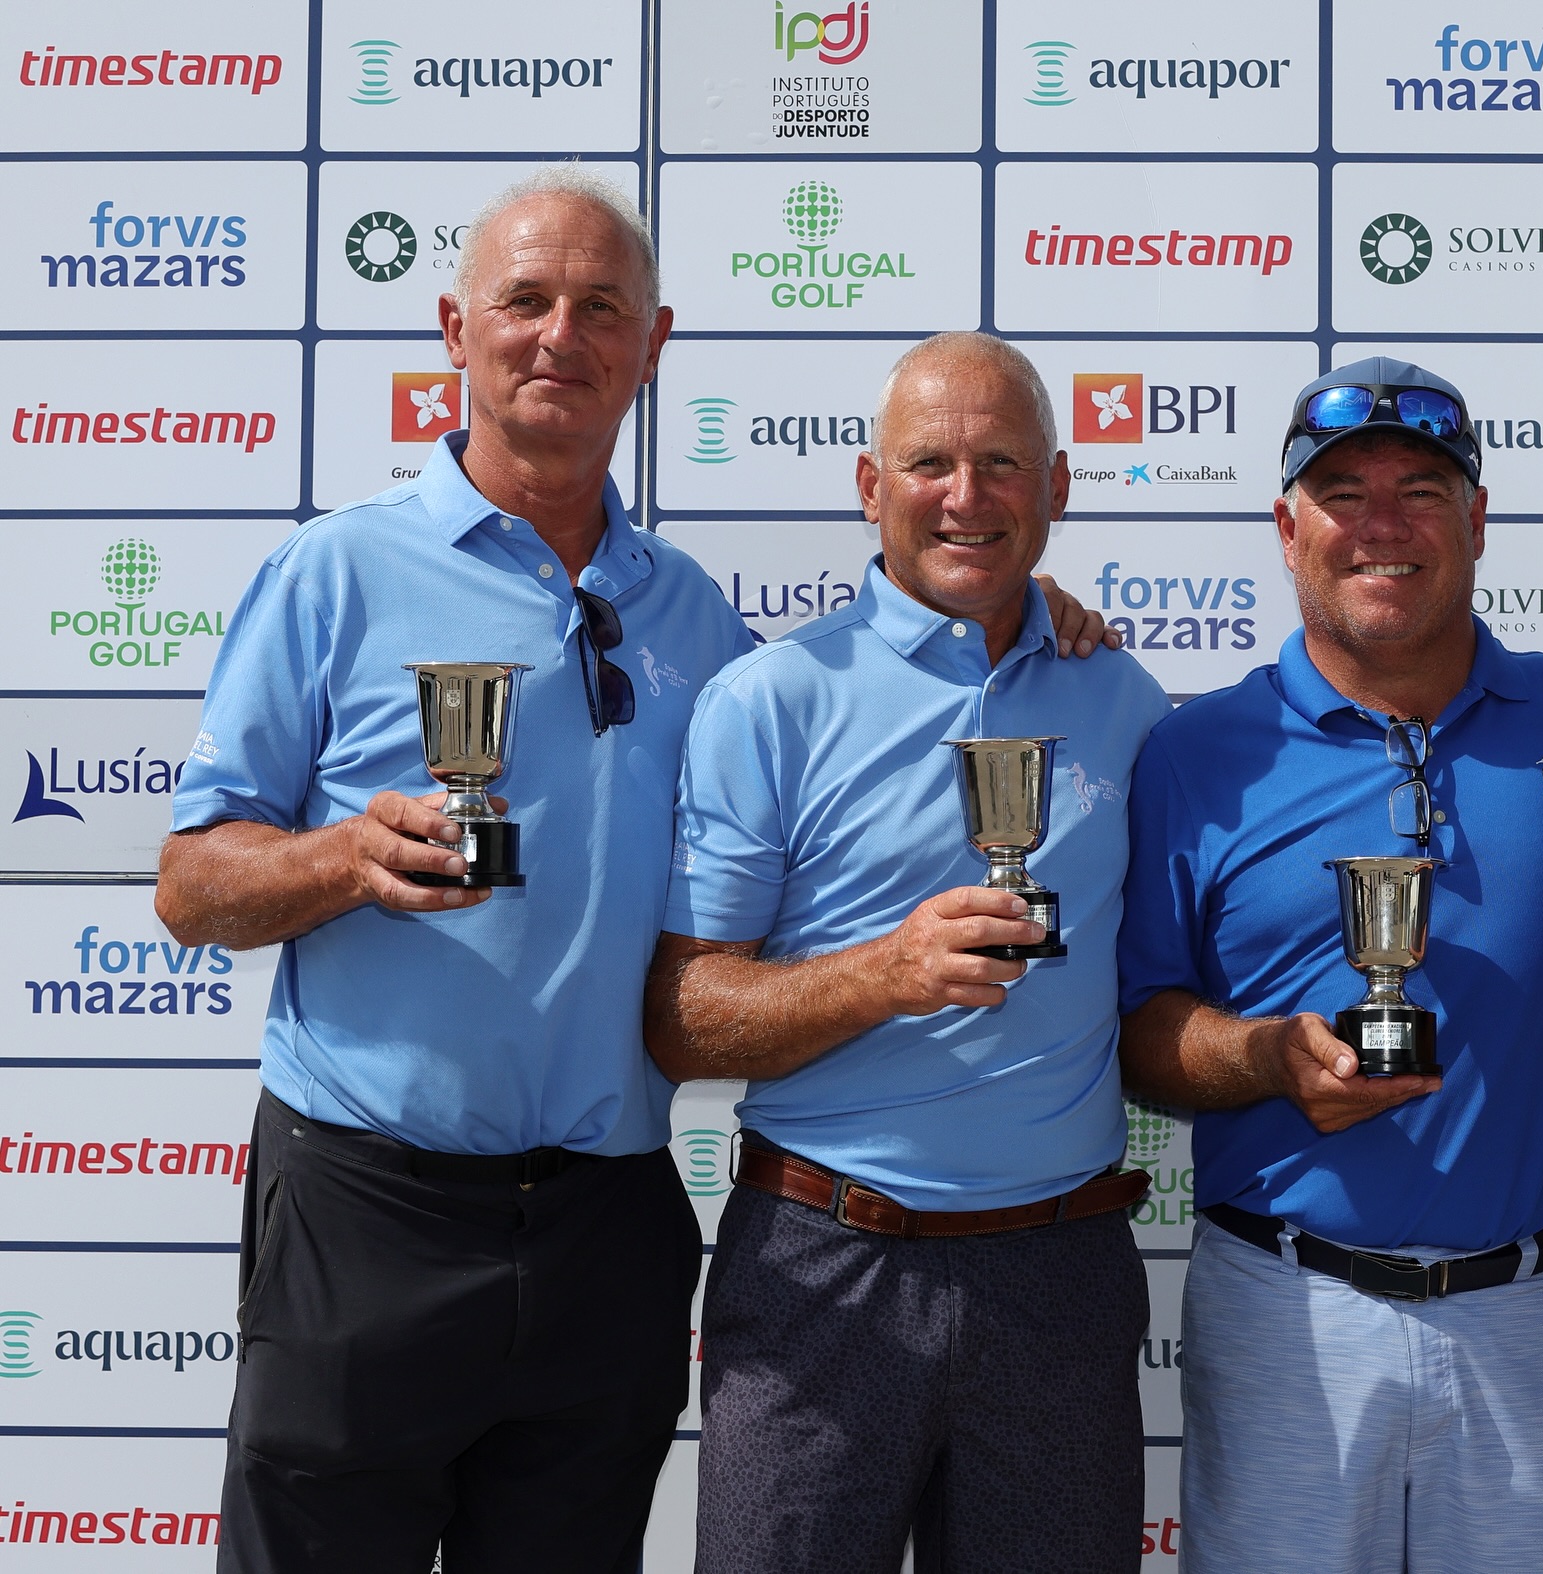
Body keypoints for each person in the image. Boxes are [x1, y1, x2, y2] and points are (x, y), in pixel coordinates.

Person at [157, 172, 1112, 1574]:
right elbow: (191, 884)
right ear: (456, 329)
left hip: (608, 1218)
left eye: (601, 307)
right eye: (526, 300)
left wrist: (1020, 611)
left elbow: (847, 772)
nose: (562, 335)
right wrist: (343, 856)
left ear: (653, 344)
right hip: (370, 1207)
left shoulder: (693, 614)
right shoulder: (335, 570)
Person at [1116, 357, 1543, 1573]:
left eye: (1420, 490)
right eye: (1342, 493)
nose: (1381, 524)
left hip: (1536, 1313)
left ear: (1477, 519)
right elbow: (1140, 1030)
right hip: (1286, 1313)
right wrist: (1265, 1054)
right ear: (1287, 527)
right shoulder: (1196, 752)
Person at [643, 331, 1170, 1574]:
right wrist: (884, 972)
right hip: (825, 1265)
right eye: (929, 462)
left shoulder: (1124, 699)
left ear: (1057, 486)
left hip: (1061, 1271)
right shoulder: (771, 698)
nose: (965, 496)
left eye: (1002, 464)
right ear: (870, 486)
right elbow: (683, 1015)